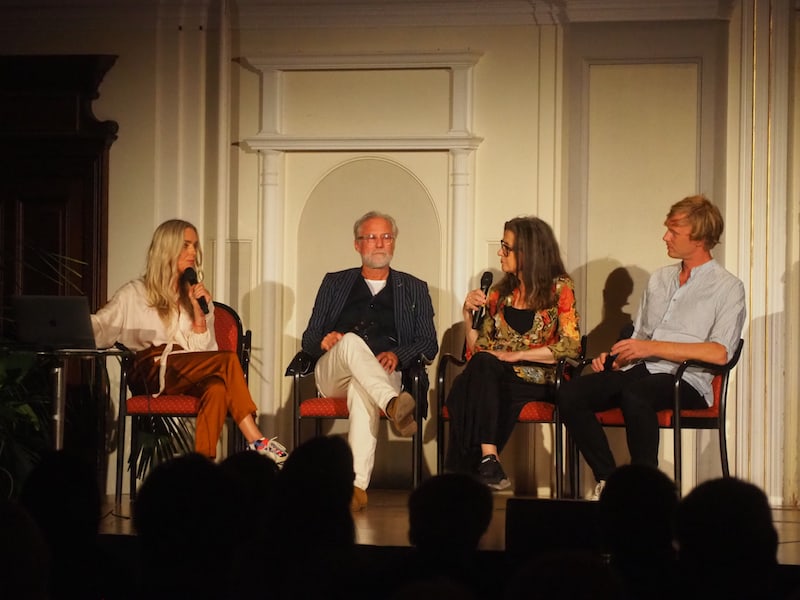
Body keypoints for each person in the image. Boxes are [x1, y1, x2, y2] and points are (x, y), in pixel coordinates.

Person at [558, 195, 746, 499]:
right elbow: (642, 338)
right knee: (571, 392)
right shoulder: (660, 279)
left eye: (674, 231)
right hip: (641, 369)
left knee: (637, 394)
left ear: (698, 238)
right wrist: (619, 357)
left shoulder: (727, 287)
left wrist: (651, 348)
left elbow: (719, 352)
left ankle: (645, 492)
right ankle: (610, 480)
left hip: (687, 380)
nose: (665, 237)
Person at [91, 219, 287, 463]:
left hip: (184, 371)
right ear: (167, 249)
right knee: (226, 361)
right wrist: (67, 325)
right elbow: (100, 326)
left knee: (216, 386)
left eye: (194, 246)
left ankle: (202, 467)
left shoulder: (197, 298)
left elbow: (206, 355)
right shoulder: (135, 292)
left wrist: (199, 317)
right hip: (148, 371)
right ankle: (257, 440)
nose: (193, 252)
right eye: (185, 246)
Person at [301, 211, 438, 511]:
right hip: (334, 372)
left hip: (383, 373)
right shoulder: (335, 283)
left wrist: (397, 355)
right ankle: (392, 404)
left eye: (386, 237)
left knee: (362, 389)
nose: (380, 243)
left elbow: (429, 343)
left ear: (394, 243)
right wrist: (322, 342)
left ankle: (356, 489)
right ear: (357, 245)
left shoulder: (415, 288)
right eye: (372, 237)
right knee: (351, 341)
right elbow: (309, 338)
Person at [446, 216, 581, 490]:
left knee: (464, 390)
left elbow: (571, 345)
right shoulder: (499, 293)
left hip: (541, 376)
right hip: (496, 375)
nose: (500, 253)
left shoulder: (560, 288)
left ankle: (459, 480)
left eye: (506, 247)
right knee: (480, 374)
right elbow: (480, 351)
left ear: (528, 253)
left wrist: (517, 356)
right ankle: (488, 457)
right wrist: (467, 316)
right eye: (502, 245)